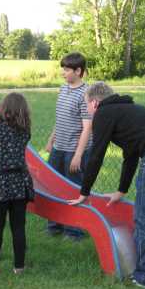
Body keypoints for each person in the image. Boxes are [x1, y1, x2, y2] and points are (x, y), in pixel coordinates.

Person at [68, 81, 145, 289]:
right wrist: (121, 190)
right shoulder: (128, 110)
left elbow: (96, 155)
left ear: (94, 103)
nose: (88, 110)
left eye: (87, 105)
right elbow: (130, 155)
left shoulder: (103, 114)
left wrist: (84, 192)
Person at [0, 93, 34, 276]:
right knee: (18, 227)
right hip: (20, 181)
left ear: (3, 109)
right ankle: (19, 267)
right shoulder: (25, 131)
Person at [45, 52, 92, 240]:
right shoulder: (63, 88)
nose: (62, 73)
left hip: (75, 151)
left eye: (66, 70)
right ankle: (54, 225)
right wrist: (52, 139)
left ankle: (74, 231)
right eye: (63, 69)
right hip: (59, 148)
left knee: (74, 189)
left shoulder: (86, 94)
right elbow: (61, 117)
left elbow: (87, 127)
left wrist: (78, 155)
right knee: (53, 186)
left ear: (78, 71)